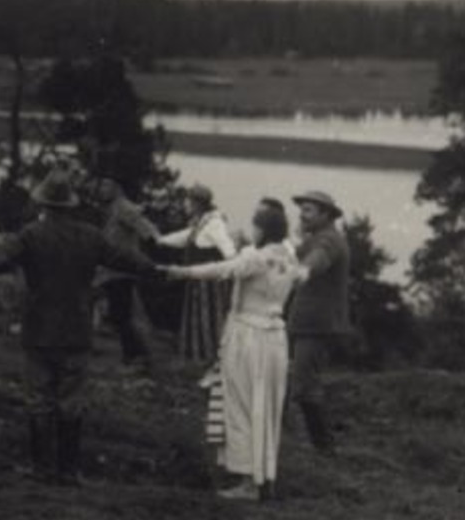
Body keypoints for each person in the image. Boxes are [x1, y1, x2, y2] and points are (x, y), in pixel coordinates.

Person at [0, 169, 163, 485]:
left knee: (39, 400)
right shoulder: (92, 236)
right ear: (70, 205)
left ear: (44, 204)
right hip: (77, 330)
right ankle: (69, 471)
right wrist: (161, 270)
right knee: (71, 399)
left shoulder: (31, 235)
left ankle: (42, 469)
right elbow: (129, 259)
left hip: (39, 330)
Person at [164, 199, 306, 501]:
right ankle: (263, 475)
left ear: (263, 229)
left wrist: (182, 272)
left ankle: (248, 482)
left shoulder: (256, 258)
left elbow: (222, 269)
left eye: (255, 225)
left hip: (248, 336)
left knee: (241, 404)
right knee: (266, 406)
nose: (250, 230)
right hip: (275, 338)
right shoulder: (290, 258)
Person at [287, 189, 351, 454]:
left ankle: (324, 449)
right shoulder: (316, 237)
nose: (302, 214)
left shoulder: (329, 240)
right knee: (299, 383)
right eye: (301, 209)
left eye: (309, 210)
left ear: (326, 215)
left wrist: (304, 271)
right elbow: (295, 255)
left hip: (317, 325)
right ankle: (309, 444)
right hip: (305, 323)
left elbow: (317, 260)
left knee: (304, 386)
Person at [157, 184, 238, 366]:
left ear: (197, 203)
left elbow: (229, 249)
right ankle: (201, 357)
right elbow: (185, 237)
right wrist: (160, 239)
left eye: (188, 201)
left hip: (209, 284)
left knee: (210, 319)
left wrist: (230, 267)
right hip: (197, 281)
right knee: (199, 319)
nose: (185, 204)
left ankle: (215, 359)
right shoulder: (201, 223)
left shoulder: (214, 224)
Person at [89, 177, 160, 369]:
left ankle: (138, 355)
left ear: (117, 188)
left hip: (122, 268)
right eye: (101, 185)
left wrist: (151, 244)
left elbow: (147, 230)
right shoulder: (113, 208)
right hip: (112, 268)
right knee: (117, 313)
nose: (102, 189)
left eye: (106, 186)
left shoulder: (124, 207)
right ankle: (133, 355)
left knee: (120, 314)